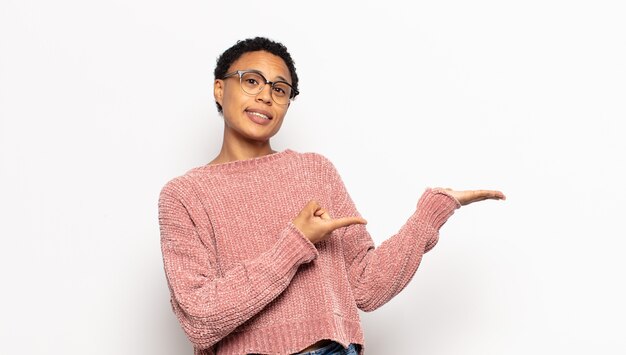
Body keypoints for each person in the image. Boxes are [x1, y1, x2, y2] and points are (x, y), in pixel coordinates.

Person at [158, 37, 505, 355]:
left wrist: (433, 212)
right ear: (220, 89)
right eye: (252, 81)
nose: (266, 96)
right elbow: (201, 318)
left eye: (280, 89)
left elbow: (366, 287)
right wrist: (295, 243)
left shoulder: (314, 172)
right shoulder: (184, 195)